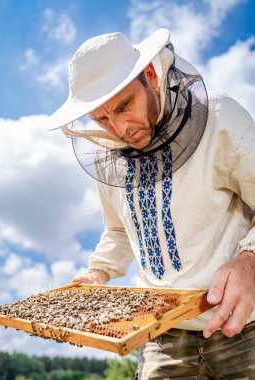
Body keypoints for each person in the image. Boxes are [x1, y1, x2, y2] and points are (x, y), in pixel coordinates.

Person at [47, 28, 255, 379]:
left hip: (241, 327)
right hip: (162, 337)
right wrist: (98, 273)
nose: (118, 128)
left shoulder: (220, 117)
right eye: (101, 118)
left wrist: (250, 261)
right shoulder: (110, 155)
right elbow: (119, 230)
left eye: (124, 106)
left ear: (151, 76)